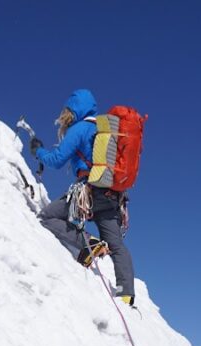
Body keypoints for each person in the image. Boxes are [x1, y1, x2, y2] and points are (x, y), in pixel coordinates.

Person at [28, 88, 136, 306]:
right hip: (113, 196)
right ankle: (126, 294)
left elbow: (57, 160)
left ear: (73, 110)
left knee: (47, 217)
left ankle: (89, 245)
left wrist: (38, 151)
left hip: (88, 194)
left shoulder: (79, 129)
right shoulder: (108, 132)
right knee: (116, 245)